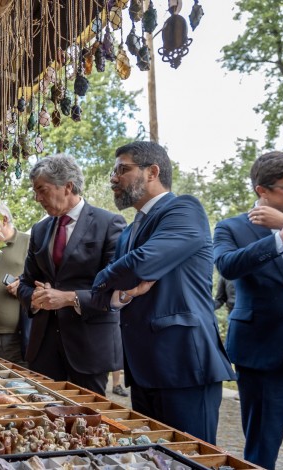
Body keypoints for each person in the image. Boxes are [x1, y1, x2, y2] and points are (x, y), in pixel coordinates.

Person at [90, 141, 235, 445]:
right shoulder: (129, 231)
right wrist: (125, 293)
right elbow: (105, 293)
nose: (113, 178)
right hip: (142, 371)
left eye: (122, 169)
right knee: (153, 459)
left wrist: (105, 278)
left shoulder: (184, 209)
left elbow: (139, 263)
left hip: (184, 366)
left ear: (152, 172)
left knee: (189, 458)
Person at [213, 151, 283, 469]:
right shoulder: (231, 227)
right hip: (263, 354)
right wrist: (282, 237)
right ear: (262, 191)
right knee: (261, 449)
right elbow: (227, 265)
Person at [17, 155, 125, 396]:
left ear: (67, 186)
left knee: (87, 421)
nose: (37, 198)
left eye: (41, 190)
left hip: (89, 346)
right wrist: (33, 299)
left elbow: (116, 289)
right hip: (43, 348)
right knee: (41, 419)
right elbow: (25, 282)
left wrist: (67, 298)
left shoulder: (109, 223)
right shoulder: (40, 229)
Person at [0, 202, 30, 366]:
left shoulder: (28, 242)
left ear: (3, 220)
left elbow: (46, 279)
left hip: (18, 335)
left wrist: (23, 283)